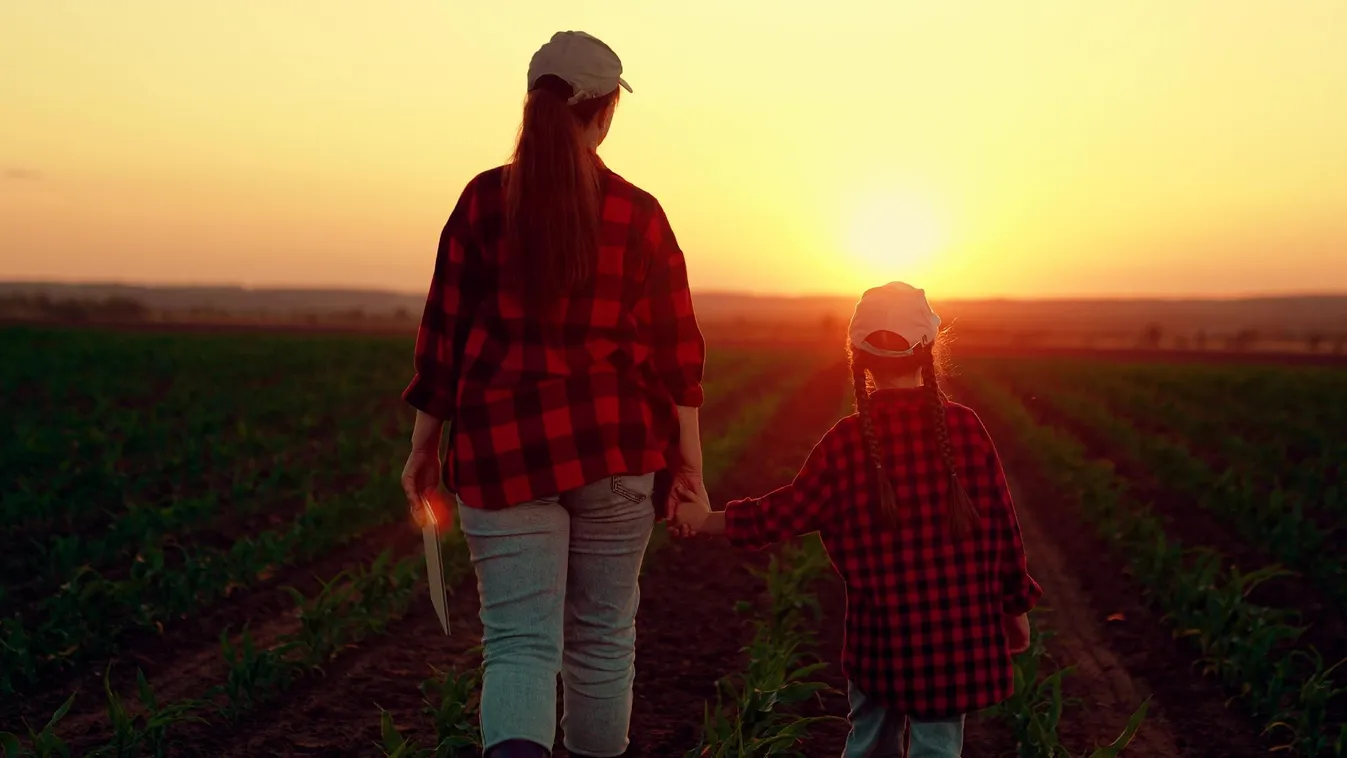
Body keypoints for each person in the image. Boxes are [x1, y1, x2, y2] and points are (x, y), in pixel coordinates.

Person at [398, 30, 709, 758]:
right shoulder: (639, 213)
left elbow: (443, 334)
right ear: (604, 112)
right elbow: (678, 355)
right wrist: (688, 464)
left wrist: (422, 448)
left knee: (518, 645)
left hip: (500, 453)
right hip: (615, 451)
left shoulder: (483, 201)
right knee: (603, 639)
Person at [674, 282, 1042, 758]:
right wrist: (1015, 609)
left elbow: (784, 512)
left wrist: (704, 519)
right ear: (929, 349)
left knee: (869, 745)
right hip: (955, 642)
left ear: (858, 358)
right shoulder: (966, 429)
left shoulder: (846, 443)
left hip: (881, 643)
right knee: (937, 749)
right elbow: (1004, 531)